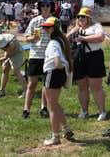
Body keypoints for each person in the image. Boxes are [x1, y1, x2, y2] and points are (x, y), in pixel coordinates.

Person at [66, 7, 107, 120]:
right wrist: (71, 33)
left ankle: (102, 111)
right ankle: (84, 111)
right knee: (82, 86)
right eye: (78, 16)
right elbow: (64, 41)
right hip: (79, 57)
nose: (80, 18)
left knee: (96, 86)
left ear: (88, 18)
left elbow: (100, 37)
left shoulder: (96, 26)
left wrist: (84, 38)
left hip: (94, 56)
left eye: (83, 16)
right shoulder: (74, 28)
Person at [40, 16, 75, 146]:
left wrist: (58, 66)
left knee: (52, 107)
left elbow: (57, 62)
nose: (45, 29)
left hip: (53, 73)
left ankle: (55, 137)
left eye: (47, 27)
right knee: (55, 103)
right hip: (59, 74)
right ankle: (66, 129)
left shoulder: (53, 43)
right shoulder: (61, 39)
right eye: (44, 27)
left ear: (53, 28)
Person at [21, 0, 53, 119]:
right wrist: (33, 38)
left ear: (51, 7)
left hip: (49, 56)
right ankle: (26, 109)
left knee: (46, 83)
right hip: (35, 55)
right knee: (32, 83)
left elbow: (59, 37)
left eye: (48, 5)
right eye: (43, 5)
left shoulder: (54, 21)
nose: (45, 8)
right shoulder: (35, 20)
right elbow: (26, 37)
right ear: (40, 7)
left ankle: (43, 108)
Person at [0, 33, 27, 98]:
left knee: (16, 72)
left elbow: (6, 57)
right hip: (8, 53)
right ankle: (2, 91)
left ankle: (26, 92)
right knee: (5, 69)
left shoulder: (11, 44)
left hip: (17, 53)